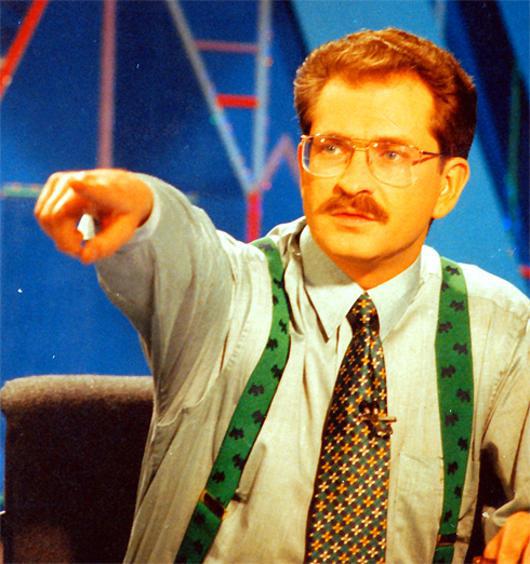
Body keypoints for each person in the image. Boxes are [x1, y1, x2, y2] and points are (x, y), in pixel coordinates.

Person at [34, 28, 529, 563]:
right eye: (333, 148)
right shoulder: (228, 292)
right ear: (303, 160)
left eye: (391, 154)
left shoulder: (499, 327)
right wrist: (138, 202)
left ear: (448, 186)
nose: (353, 182)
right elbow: (175, 241)